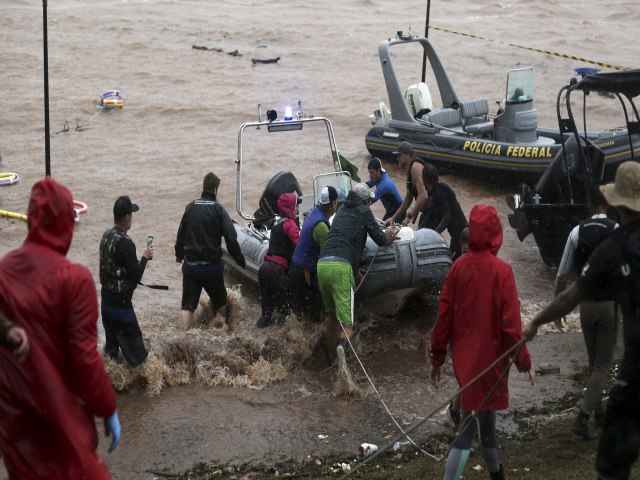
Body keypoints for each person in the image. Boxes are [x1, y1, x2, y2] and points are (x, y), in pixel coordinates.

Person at [524, 161, 640, 480]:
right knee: (600, 367)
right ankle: (597, 412)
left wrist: (537, 321)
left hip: (591, 311)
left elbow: (565, 287)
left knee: (598, 367)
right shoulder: (616, 234)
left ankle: (587, 415)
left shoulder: (602, 242)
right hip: (610, 313)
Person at [0, 177, 120, 479]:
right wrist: (107, 406)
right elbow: (85, 359)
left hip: (16, 434)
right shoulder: (74, 279)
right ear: (68, 222)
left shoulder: (3, 271)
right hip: (61, 431)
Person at [429, 204, 533, 480]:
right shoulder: (502, 271)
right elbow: (512, 327)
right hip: (492, 362)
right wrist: (524, 361)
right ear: (496, 233)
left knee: (485, 422)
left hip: (466, 362)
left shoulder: (457, 269)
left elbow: (444, 317)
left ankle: (497, 473)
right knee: (467, 428)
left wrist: (437, 359)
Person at [553, 183, 619, 440]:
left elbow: (561, 275)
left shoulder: (576, 232)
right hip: (608, 305)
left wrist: (558, 309)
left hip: (586, 307)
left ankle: (600, 415)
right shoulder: (617, 231)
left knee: (594, 363)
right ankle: (582, 418)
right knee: (603, 365)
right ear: (608, 204)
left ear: (590, 205)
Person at [317, 183, 398, 363]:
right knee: (347, 326)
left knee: (331, 319)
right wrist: (389, 237)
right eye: (368, 201)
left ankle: (331, 360)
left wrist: (354, 267)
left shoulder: (341, 209)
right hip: (341, 267)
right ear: (365, 201)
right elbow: (380, 239)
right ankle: (343, 351)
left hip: (322, 264)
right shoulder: (364, 211)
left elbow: (346, 237)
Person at [175, 172, 246, 330]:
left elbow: (181, 233)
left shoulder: (190, 206)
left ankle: (180, 337)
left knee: (187, 306)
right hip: (210, 268)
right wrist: (239, 259)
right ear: (215, 190)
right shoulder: (218, 209)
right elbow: (231, 238)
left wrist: (178, 254)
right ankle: (220, 336)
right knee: (221, 302)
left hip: (191, 267)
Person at [99, 195, 154, 367]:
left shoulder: (106, 235)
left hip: (106, 303)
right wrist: (145, 257)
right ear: (127, 217)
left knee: (112, 356)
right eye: (131, 214)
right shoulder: (126, 244)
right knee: (141, 360)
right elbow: (136, 275)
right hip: (121, 306)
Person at [290, 186, 339, 323]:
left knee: (304, 316)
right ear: (333, 204)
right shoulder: (321, 226)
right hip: (305, 273)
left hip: (297, 267)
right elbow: (329, 255)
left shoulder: (313, 213)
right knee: (317, 313)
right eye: (337, 202)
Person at [256, 192, 300, 328]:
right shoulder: (290, 225)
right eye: (295, 206)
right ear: (290, 209)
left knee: (266, 314)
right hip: (278, 271)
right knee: (285, 312)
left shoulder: (276, 226)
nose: (297, 209)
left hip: (264, 269)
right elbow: (299, 243)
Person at [445, 225, 470, 430]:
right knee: (467, 376)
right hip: (460, 331)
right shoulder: (457, 268)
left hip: (475, 330)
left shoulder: (487, 268)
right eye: (464, 253)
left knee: (471, 376)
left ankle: (456, 409)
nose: (467, 257)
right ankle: (457, 412)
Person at [420, 163, 468, 260]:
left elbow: (446, 218)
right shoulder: (441, 188)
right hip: (464, 231)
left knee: (451, 263)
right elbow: (431, 214)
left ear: (424, 181)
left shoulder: (437, 194)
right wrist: (420, 230)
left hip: (459, 235)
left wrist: (434, 235)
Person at [384, 141, 429, 227]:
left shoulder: (416, 167)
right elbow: (408, 200)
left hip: (435, 212)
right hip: (427, 213)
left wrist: (409, 216)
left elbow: (423, 195)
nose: (397, 158)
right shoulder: (410, 171)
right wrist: (393, 218)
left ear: (408, 155)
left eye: (399, 155)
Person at [365, 156, 404, 222]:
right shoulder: (378, 176)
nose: (370, 176)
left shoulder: (384, 184)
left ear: (378, 170)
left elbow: (369, 202)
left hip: (399, 213)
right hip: (390, 211)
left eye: (372, 172)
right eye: (369, 172)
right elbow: (365, 186)